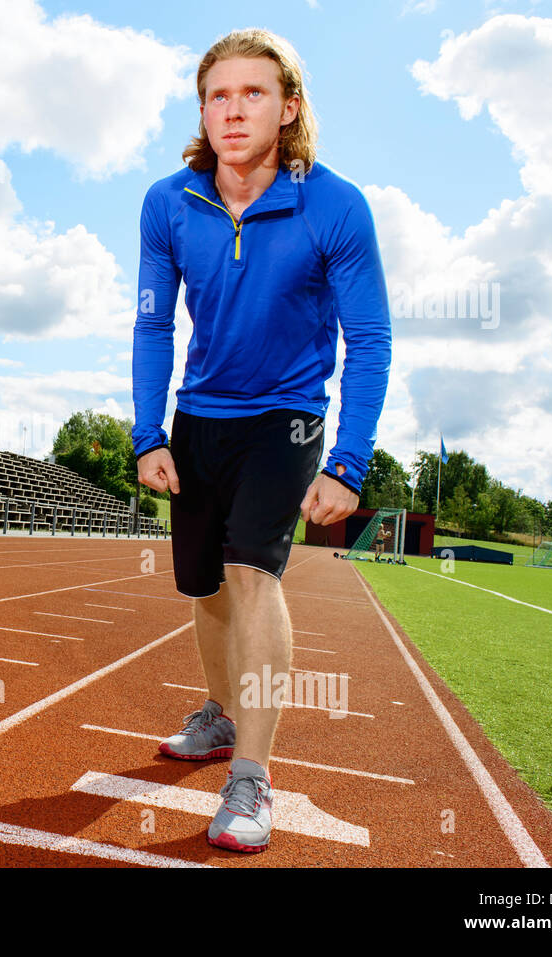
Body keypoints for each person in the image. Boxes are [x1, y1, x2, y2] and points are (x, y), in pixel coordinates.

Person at [132, 29, 391, 851]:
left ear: (289, 106)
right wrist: (147, 432)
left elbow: (371, 338)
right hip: (198, 416)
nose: (233, 110)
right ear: (201, 109)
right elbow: (150, 327)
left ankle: (253, 777)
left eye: (252, 93)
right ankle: (219, 715)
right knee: (205, 588)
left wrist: (349, 460)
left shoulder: (336, 206)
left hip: (287, 416)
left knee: (251, 574)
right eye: (217, 95)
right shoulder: (168, 202)